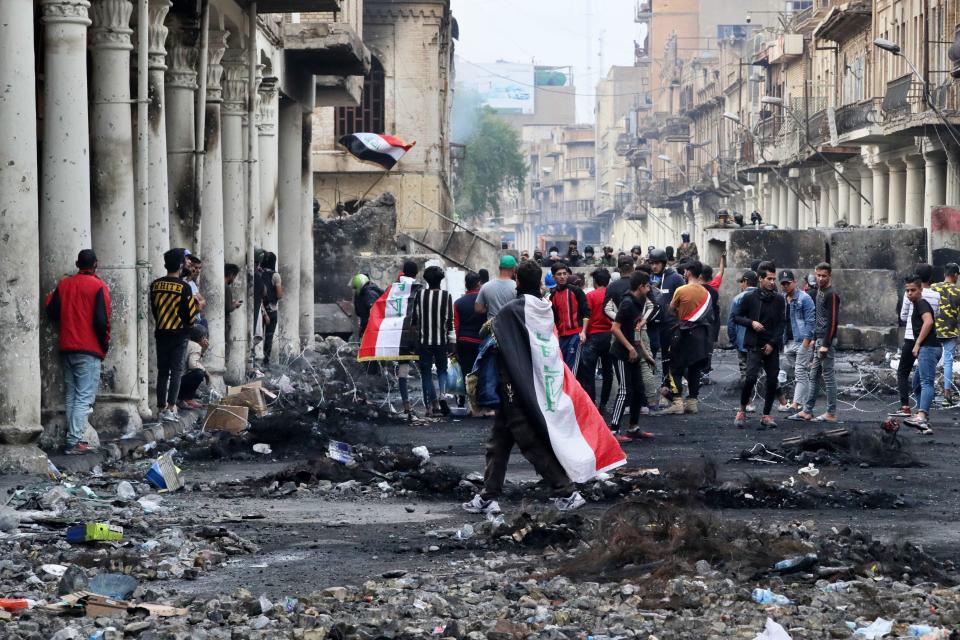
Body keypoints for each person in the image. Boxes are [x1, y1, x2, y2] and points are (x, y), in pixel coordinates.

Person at [462, 260, 589, 515]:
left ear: (517, 280)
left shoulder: (512, 311)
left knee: (529, 441)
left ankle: (566, 491)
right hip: (527, 380)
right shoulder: (543, 307)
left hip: (512, 385)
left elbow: (495, 337)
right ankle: (488, 495)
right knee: (498, 443)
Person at [44, 249, 111, 454]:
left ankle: (73, 439)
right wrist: (104, 343)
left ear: (77, 263)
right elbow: (102, 320)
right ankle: (73, 441)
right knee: (84, 397)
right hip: (88, 348)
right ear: (96, 264)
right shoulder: (99, 286)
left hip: (67, 346)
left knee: (73, 395)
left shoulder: (64, 284)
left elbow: (52, 311)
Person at [733, 262, 786, 429]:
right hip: (754, 344)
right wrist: (751, 323)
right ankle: (742, 410)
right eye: (769, 279)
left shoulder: (778, 299)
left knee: (772, 380)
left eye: (773, 279)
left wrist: (772, 343)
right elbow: (736, 317)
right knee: (750, 378)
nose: (772, 282)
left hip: (771, 345)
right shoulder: (749, 298)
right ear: (760, 279)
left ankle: (766, 415)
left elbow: (781, 324)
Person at [150, 248, 199, 423]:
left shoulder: (155, 285)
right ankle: (172, 407)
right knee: (176, 371)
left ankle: (161, 408)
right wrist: (189, 326)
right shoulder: (184, 287)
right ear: (179, 265)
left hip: (161, 332)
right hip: (179, 334)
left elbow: (155, 311)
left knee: (162, 372)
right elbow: (191, 316)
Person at [790, 262, 840, 423]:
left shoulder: (831, 294)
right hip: (818, 340)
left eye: (824, 276)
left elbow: (832, 321)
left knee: (828, 376)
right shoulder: (819, 291)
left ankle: (831, 413)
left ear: (830, 276)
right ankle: (807, 410)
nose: (820, 278)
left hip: (825, 341)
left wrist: (825, 343)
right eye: (818, 275)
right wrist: (814, 339)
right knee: (814, 375)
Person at [661, 261, 714, 414]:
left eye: (685, 270)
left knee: (675, 368)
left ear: (689, 272)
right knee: (695, 369)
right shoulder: (706, 293)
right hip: (700, 335)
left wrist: (681, 314)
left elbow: (671, 310)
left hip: (682, 333)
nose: (684, 272)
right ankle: (692, 403)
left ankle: (677, 403)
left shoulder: (681, 290)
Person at [609, 271, 656, 439]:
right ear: (640, 286)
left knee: (638, 390)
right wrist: (630, 348)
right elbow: (615, 328)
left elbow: (636, 330)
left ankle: (633, 428)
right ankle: (613, 430)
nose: (649, 288)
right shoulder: (627, 303)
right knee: (624, 391)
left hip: (633, 353)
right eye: (647, 285)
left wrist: (645, 354)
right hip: (621, 354)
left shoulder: (640, 301)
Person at [890, 275, 939, 434]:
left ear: (920, 290)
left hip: (929, 348)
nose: (910, 293)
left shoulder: (921, 303)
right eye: (907, 291)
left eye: (913, 290)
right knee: (917, 384)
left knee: (926, 382)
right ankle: (922, 419)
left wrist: (917, 343)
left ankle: (922, 416)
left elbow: (929, 322)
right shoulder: (917, 304)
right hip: (929, 348)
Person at [415, 265, 455, 417]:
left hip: (424, 341)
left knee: (425, 373)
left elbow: (415, 319)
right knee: (442, 370)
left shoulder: (420, 295)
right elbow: (450, 321)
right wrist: (452, 342)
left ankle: (429, 408)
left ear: (426, 280)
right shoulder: (446, 296)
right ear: (441, 280)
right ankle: (443, 395)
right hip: (441, 340)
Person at [578, 268, 614, 410]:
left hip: (593, 337)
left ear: (595, 282)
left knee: (589, 373)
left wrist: (584, 332)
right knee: (608, 372)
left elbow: (587, 316)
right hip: (610, 336)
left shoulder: (591, 296)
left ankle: (592, 404)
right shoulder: (612, 295)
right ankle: (604, 403)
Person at [780, 270, 815, 413]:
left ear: (794, 282)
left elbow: (810, 321)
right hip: (788, 341)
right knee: (798, 373)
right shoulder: (782, 299)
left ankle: (796, 404)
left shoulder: (804, 299)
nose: (785, 286)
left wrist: (807, 342)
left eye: (788, 283)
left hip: (801, 341)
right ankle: (803, 403)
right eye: (782, 283)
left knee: (800, 372)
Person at [549, 263, 589, 373]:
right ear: (554, 277)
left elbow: (586, 312)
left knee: (572, 369)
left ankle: (571, 390)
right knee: (564, 367)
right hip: (562, 336)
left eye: (564, 274)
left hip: (576, 335)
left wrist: (583, 332)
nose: (562, 276)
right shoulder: (553, 296)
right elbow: (554, 319)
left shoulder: (576, 291)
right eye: (559, 274)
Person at [454, 273, 486, 411]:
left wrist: (454, 346)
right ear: (479, 284)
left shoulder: (458, 303)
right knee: (480, 372)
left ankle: (464, 400)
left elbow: (456, 325)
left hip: (463, 341)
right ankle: (479, 401)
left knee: (465, 373)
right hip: (480, 341)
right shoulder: (483, 302)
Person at [932, 263, 960, 407]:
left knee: (931, 361)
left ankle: (927, 394)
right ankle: (947, 395)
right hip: (950, 331)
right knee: (948, 361)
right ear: (956, 275)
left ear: (944, 274)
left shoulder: (933, 287)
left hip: (933, 330)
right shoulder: (958, 290)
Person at [728, 270, 759, 390]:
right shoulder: (764, 296)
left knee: (745, 370)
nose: (741, 284)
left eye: (741, 282)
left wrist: (733, 339)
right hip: (759, 340)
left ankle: (747, 397)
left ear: (745, 282)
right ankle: (759, 392)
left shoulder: (738, 298)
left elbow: (732, 320)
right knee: (758, 369)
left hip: (742, 340)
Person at [178, 325, 210, 410]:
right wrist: (205, 372)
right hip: (178, 381)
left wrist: (203, 350)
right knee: (199, 373)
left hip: (175, 380)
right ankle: (187, 398)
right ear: (202, 338)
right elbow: (193, 364)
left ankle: (184, 398)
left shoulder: (187, 342)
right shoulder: (195, 346)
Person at [260, 252, 283, 366]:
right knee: (269, 336)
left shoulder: (259, 274)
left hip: (260, 310)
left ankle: (256, 360)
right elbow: (279, 295)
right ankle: (265, 361)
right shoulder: (275, 275)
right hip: (272, 310)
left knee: (258, 335)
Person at [350, 273, 384, 338]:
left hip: (373, 328)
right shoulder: (361, 295)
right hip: (367, 326)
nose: (355, 290)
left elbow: (374, 313)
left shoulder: (370, 294)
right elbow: (360, 312)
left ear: (359, 284)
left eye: (355, 287)